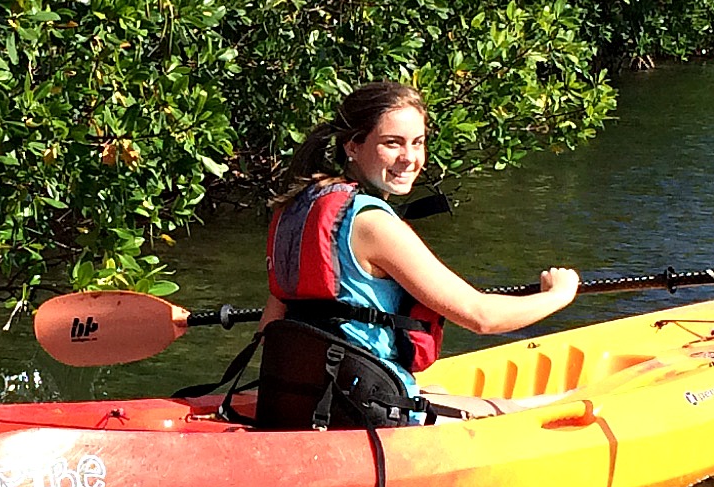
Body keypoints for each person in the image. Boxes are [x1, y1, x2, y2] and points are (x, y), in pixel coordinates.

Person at [244, 81, 578, 430]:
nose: (410, 158)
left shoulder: (296, 208)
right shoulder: (374, 225)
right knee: (536, 406)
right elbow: (482, 316)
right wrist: (559, 294)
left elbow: (270, 331)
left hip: (302, 400)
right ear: (352, 146)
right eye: (392, 143)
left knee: (436, 390)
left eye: (418, 143)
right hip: (364, 411)